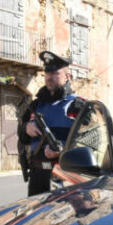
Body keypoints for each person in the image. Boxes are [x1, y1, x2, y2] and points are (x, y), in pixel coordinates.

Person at [18, 51, 85, 196]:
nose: (50, 77)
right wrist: (26, 128)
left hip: (64, 176)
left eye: (55, 73)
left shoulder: (77, 105)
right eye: (47, 74)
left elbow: (92, 143)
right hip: (37, 176)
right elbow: (22, 138)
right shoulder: (35, 106)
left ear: (67, 76)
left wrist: (63, 151)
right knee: (35, 217)